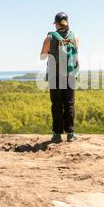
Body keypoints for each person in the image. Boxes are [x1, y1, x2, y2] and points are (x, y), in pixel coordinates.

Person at [40, 12, 80, 143]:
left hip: (54, 76)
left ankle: (57, 135)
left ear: (56, 24)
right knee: (69, 104)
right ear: (67, 22)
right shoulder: (75, 37)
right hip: (70, 75)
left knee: (56, 105)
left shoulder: (49, 38)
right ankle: (71, 134)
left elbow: (43, 56)